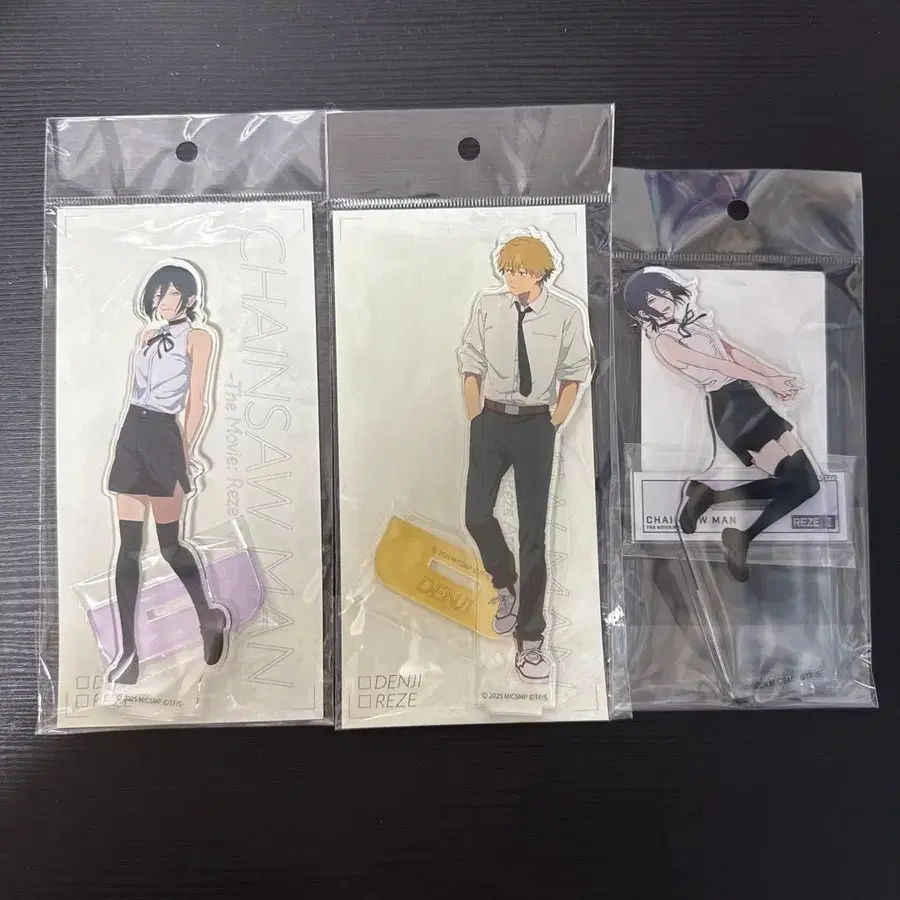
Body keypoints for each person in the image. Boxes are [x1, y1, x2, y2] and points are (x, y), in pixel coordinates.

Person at [622, 266, 820, 582]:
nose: (663, 302)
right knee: (799, 483)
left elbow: (733, 354)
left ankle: (717, 505)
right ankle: (731, 524)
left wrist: (775, 377)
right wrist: (770, 381)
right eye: (652, 302)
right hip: (731, 410)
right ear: (644, 312)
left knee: (808, 484)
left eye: (661, 294)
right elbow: (718, 365)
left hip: (749, 398)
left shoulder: (695, 323)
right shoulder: (664, 341)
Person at [458, 233, 592, 681]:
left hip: (537, 425)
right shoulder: (487, 305)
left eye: (520, 271)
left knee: (534, 534)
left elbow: (575, 373)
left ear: (539, 273)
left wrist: (555, 421)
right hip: (491, 421)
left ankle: (531, 641)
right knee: (476, 515)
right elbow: (470, 360)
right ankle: (505, 582)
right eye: (507, 270)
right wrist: (475, 416)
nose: (512, 278)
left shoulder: (566, 314)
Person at [105, 261, 228, 685]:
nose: (163, 300)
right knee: (128, 549)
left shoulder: (199, 337)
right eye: (159, 293)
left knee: (170, 546)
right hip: (132, 432)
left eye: (172, 293)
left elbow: (198, 400)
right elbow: (133, 391)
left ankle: (208, 616)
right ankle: (128, 652)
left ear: (189, 298)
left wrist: (187, 450)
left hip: (163, 436)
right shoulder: (144, 336)